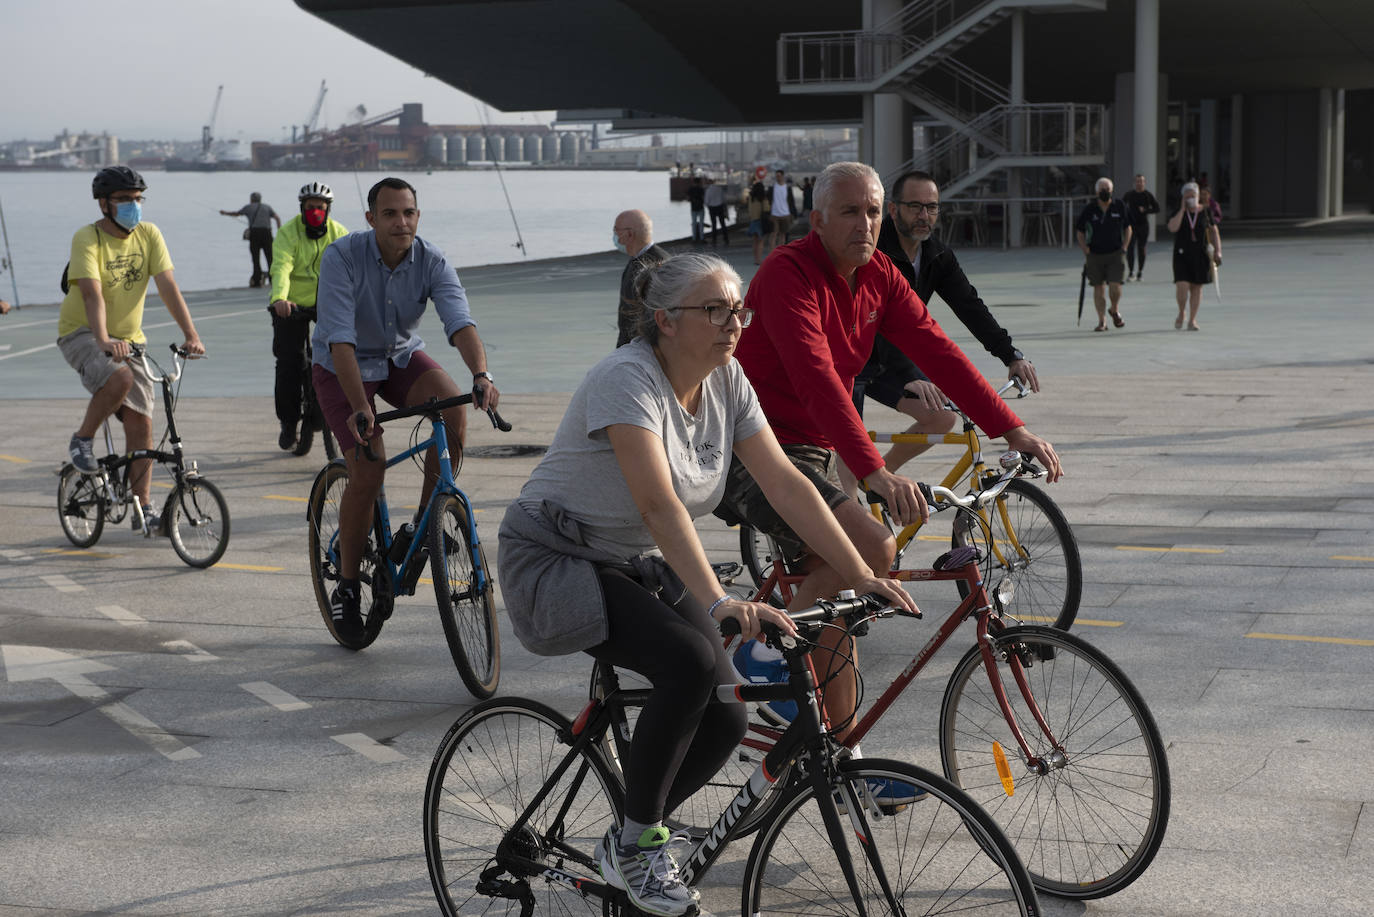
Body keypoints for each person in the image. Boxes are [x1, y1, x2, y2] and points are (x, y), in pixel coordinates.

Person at [497, 252, 915, 916]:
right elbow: (658, 504)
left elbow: (785, 482)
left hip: (632, 559)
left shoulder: (727, 378)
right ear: (665, 320)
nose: (733, 323)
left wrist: (863, 574)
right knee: (689, 661)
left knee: (727, 709)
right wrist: (721, 601)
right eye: (714, 310)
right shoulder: (626, 379)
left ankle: (631, 832)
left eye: (737, 310)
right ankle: (638, 846)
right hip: (556, 556)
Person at [719, 162, 1062, 798]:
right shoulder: (788, 274)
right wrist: (875, 473)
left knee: (842, 601)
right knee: (872, 548)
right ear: (817, 220)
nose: (866, 224)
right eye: (851, 212)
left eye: (874, 211)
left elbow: (939, 350)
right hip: (752, 445)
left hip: (815, 449)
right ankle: (762, 652)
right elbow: (817, 379)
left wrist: (1011, 429)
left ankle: (841, 761)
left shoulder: (879, 274)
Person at [312, 177, 500, 642]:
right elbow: (340, 340)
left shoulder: (431, 259)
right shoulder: (341, 256)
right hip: (342, 366)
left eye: (409, 212)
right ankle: (348, 585)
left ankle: (424, 528)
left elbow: (460, 321)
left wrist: (481, 374)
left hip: (398, 356)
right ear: (371, 218)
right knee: (369, 465)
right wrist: (361, 406)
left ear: (418, 216)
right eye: (391, 213)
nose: (402, 222)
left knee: (453, 411)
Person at [850, 169, 1040, 483]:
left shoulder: (936, 254)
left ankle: (881, 479)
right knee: (847, 451)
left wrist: (1011, 355)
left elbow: (969, 306)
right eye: (915, 207)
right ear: (893, 209)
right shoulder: (875, 252)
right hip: (853, 359)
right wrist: (910, 375)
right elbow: (879, 322)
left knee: (942, 418)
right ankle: (857, 482)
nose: (924, 216)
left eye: (932, 207)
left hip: (891, 360)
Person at [58, 166, 206, 533]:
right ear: (104, 204)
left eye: (138, 199)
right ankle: (82, 440)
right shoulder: (88, 237)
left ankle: (143, 509)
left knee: (142, 424)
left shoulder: (149, 234)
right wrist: (103, 340)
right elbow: (91, 293)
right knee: (119, 378)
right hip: (82, 333)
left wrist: (191, 334)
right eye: (124, 199)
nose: (133, 206)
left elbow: (167, 285)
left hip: (129, 339)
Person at [267, 181, 349, 451]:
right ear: (302, 209)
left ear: (328, 210)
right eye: (310, 207)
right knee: (289, 362)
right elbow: (281, 266)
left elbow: (350, 268)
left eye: (320, 208)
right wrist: (279, 299)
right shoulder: (288, 233)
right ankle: (289, 422)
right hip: (291, 304)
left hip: (327, 303)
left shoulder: (339, 233)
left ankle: (325, 409)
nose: (315, 212)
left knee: (337, 357)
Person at [1075, 177, 1133, 332]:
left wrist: (1125, 246)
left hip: (1115, 253)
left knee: (1115, 286)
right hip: (1095, 254)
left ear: (1112, 190)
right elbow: (1080, 231)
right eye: (1102, 189)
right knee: (1098, 287)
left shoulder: (1119, 206)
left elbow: (1128, 228)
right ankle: (1102, 321)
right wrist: (1085, 249)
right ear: (1096, 192)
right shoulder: (1090, 209)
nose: (1104, 192)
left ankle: (1114, 309)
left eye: (1107, 189)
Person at [1167, 181, 1221, 331]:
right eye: (1187, 196)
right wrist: (1182, 209)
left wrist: (1218, 251)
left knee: (1197, 287)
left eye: (1193, 196)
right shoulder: (1178, 211)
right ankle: (1181, 312)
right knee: (1182, 286)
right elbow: (1172, 228)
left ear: (1198, 196)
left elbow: (1214, 231)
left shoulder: (1205, 211)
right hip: (1182, 254)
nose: (1191, 199)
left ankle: (1192, 320)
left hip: (1200, 254)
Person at [613, 209, 669, 347]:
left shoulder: (658, 264)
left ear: (629, 234)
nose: (614, 235)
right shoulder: (637, 259)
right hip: (633, 346)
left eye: (616, 230)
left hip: (645, 348)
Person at [220, 192, 281, 288]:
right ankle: (273, 278)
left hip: (255, 234)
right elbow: (277, 218)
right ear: (260, 199)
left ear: (251, 199)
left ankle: (257, 279)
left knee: (255, 258)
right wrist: (279, 231)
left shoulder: (248, 207)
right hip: (267, 234)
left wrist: (225, 213)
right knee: (270, 257)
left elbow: (236, 214)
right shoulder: (267, 207)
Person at [1122, 173, 1160, 282]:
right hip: (1131, 226)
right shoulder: (1129, 194)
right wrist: (1125, 215)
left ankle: (1140, 271)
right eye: (1138, 181)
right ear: (1135, 183)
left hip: (1143, 225)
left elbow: (1157, 208)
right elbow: (1121, 206)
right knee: (1130, 248)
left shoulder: (1148, 195)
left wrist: (1146, 210)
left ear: (1144, 183)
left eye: (1141, 181)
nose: (1139, 183)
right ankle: (1131, 272)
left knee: (1141, 248)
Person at [768, 169, 797, 251]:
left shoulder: (787, 188)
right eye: (776, 176)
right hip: (774, 214)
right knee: (773, 234)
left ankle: (781, 252)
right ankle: (772, 253)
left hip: (785, 214)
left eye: (779, 176)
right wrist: (769, 212)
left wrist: (793, 213)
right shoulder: (772, 187)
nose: (778, 178)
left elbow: (791, 201)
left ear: (782, 176)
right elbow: (768, 199)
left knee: (783, 234)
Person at [746, 181, 769, 265]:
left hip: (753, 220)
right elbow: (766, 208)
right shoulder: (763, 197)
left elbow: (749, 210)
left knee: (755, 242)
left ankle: (755, 259)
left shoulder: (751, 197)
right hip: (760, 221)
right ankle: (759, 260)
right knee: (760, 241)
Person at [704, 179, 729, 246]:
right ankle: (726, 239)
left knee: (714, 224)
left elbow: (706, 202)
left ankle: (714, 239)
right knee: (722, 223)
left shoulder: (708, 190)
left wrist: (708, 206)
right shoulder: (720, 189)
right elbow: (724, 199)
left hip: (712, 208)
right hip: (720, 207)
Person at [686, 177, 706, 244]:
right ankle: (702, 238)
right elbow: (703, 198)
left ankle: (694, 239)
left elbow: (688, 199)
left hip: (693, 208)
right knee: (701, 224)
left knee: (694, 224)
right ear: (699, 182)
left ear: (693, 182)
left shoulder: (690, 189)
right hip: (701, 208)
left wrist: (692, 200)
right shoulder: (701, 189)